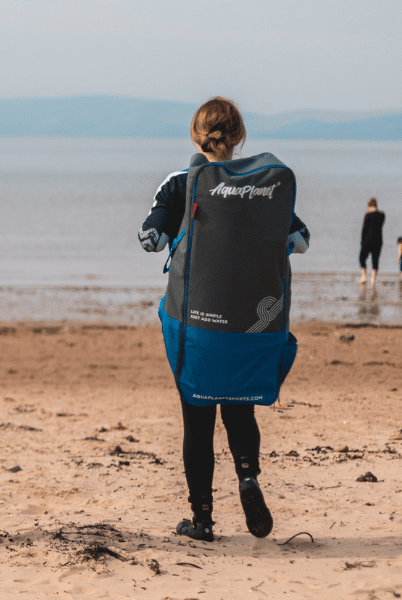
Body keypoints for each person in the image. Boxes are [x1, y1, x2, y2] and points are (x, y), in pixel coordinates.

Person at [137, 97, 309, 542]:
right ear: (239, 137)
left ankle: (203, 520)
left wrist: (158, 233)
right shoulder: (266, 187)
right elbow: (301, 239)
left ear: (197, 136)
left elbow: (151, 235)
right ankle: (248, 479)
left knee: (197, 419)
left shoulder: (184, 181)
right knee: (239, 410)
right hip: (249, 329)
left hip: (197, 327)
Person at [359, 197, 385, 287]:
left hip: (367, 240)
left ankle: (364, 277)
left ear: (369, 206)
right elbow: (380, 224)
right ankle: (373, 280)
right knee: (375, 260)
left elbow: (364, 229)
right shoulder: (382, 215)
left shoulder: (368, 215)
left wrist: (361, 242)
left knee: (362, 258)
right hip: (378, 241)